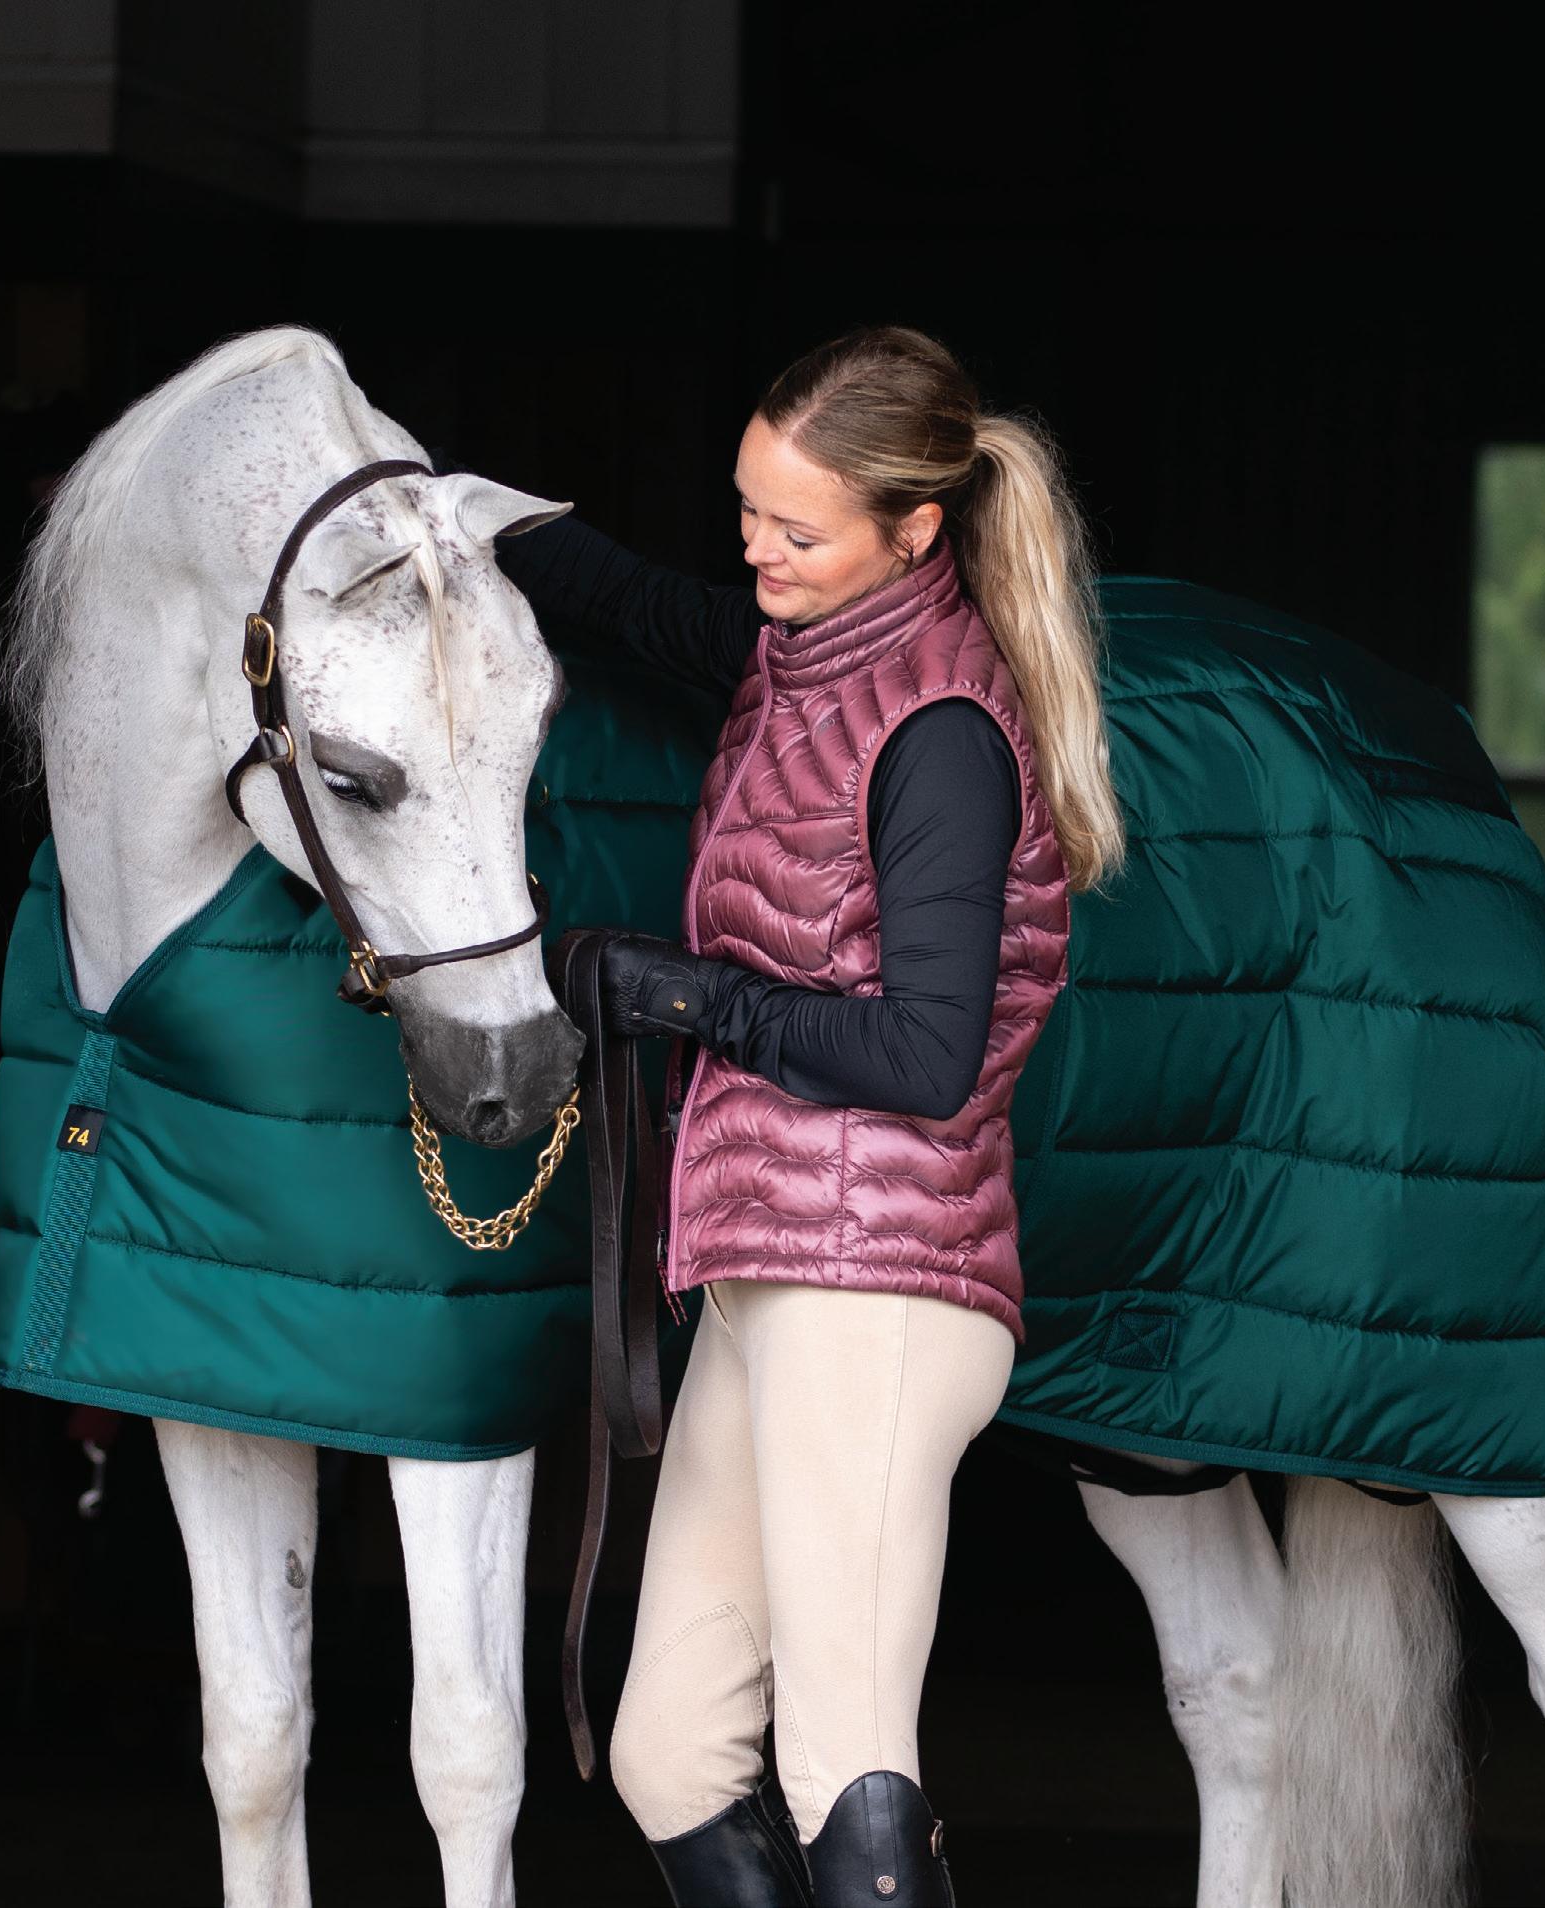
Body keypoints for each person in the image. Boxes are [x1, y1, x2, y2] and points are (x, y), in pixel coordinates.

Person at [500, 326, 1123, 1906]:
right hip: (771, 1261)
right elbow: (637, 603)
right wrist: (444, 506)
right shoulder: (798, 655)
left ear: (914, 532)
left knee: (843, 1766)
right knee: (668, 1756)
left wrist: (683, 994)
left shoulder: (941, 735)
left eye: (798, 527)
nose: (758, 551)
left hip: (884, 1285)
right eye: (747, 510)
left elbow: (927, 1057)